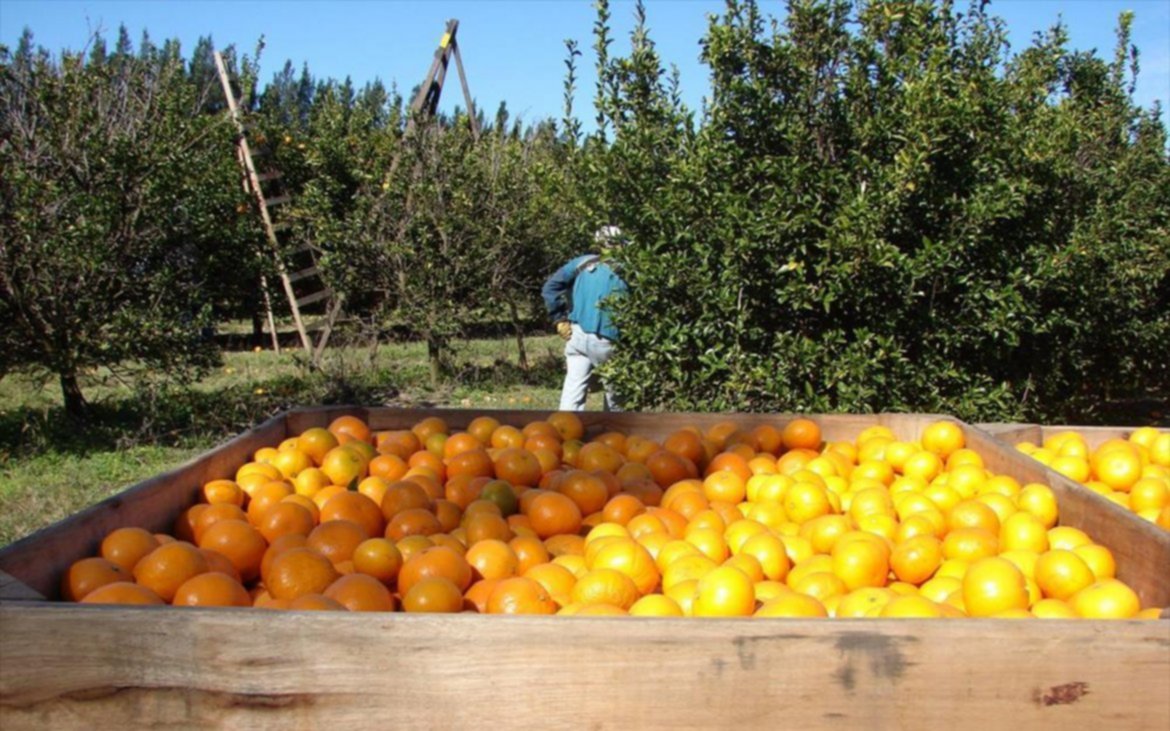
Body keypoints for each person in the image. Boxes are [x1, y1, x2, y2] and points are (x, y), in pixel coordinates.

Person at [541, 226, 629, 412]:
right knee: (617, 397)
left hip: (577, 336)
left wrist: (560, 319)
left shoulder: (582, 263)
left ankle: (563, 432)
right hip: (607, 338)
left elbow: (550, 287)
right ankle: (614, 435)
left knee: (573, 391)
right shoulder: (627, 269)